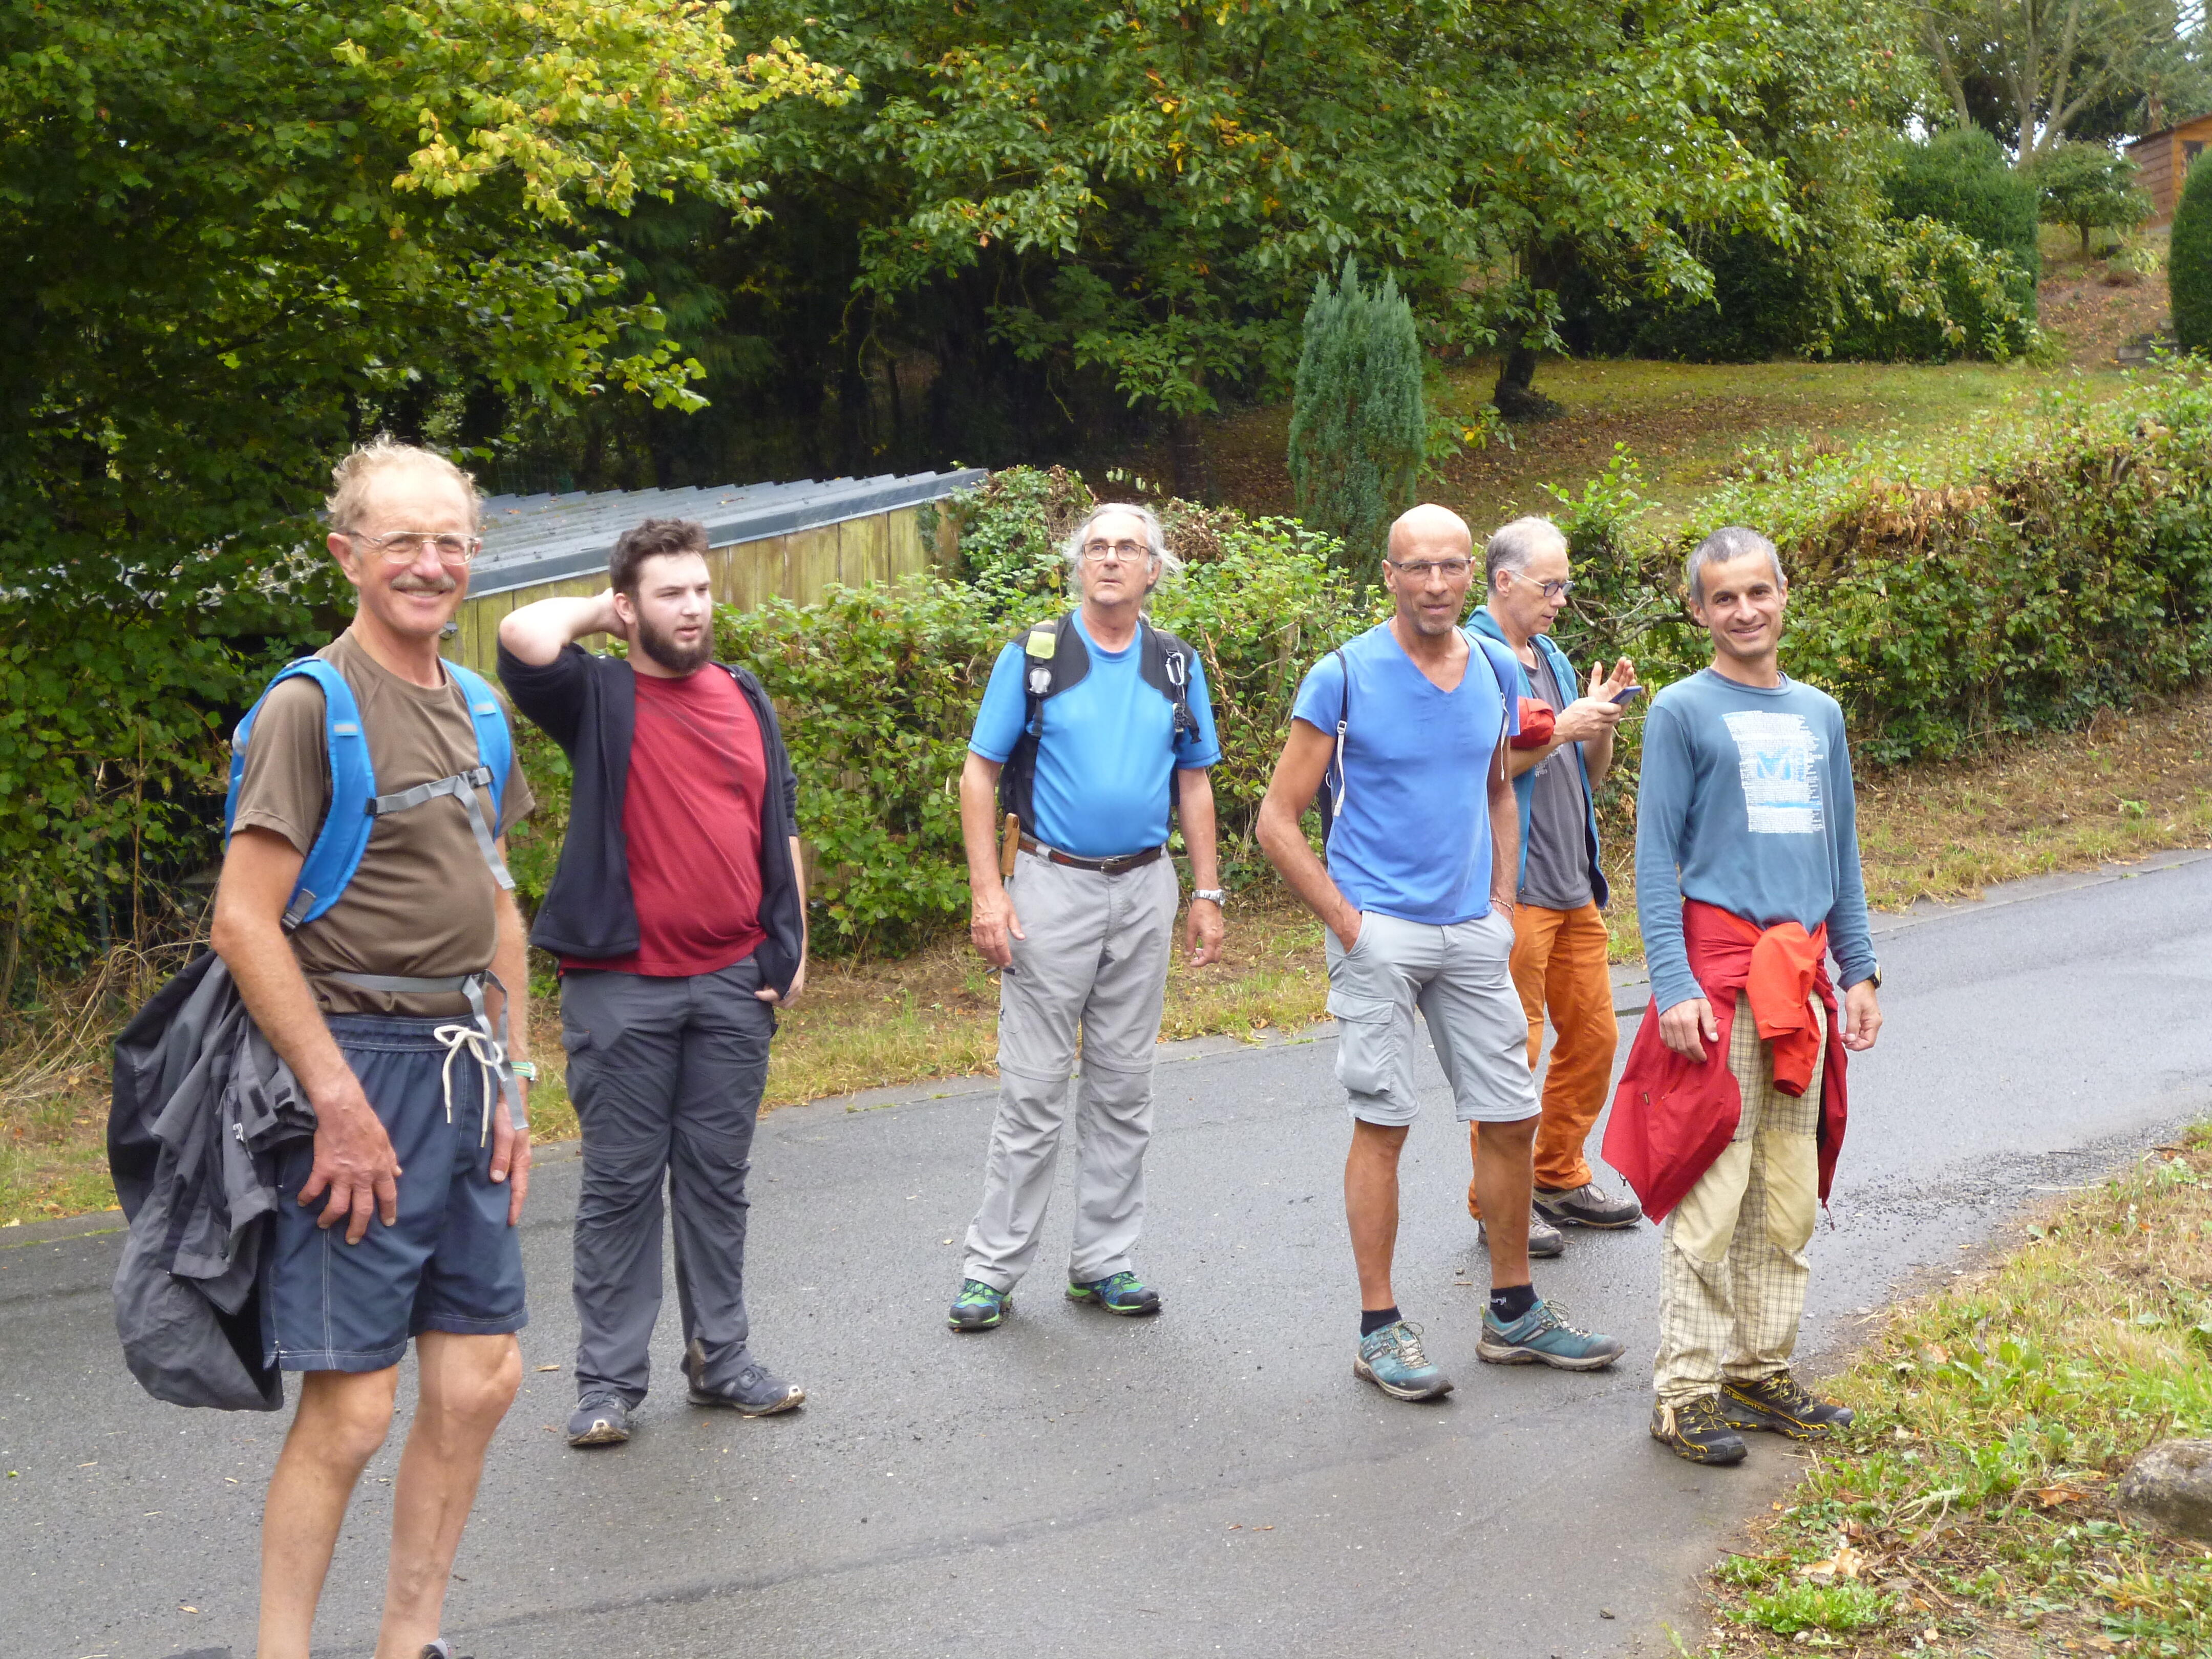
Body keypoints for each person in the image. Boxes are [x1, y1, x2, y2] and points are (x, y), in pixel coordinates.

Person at [210, 437, 535, 1659]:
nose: (430, 564)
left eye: (451, 542)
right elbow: (244, 921)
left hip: (466, 1067)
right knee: (352, 1407)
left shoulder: (481, 706)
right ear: (348, 555)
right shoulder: (311, 708)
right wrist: (337, 1102)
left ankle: (411, 1642)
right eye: (402, 541)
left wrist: (518, 1085)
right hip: (355, 1065)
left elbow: (500, 904)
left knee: (480, 1379)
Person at [1256, 503, 1625, 1403]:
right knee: (1384, 1125)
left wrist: (1498, 903)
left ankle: (1514, 1313)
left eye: (1449, 566)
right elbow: (1275, 821)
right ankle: (1380, 1328)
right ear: (1388, 575)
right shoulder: (1342, 676)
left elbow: (1498, 786)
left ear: (1471, 574)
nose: (1433, 584)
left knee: (1510, 1116)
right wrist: (1351, 925)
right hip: (1380, 931)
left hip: (1472, 932)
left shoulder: (1495, 665)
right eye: (1415, 568)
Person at [499, 517, 810, 1447]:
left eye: (701, 590)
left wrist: (792, 945)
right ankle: (607, 1384)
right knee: (622, 1187)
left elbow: (781, 820)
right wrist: (606, 612)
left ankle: (723, 1360)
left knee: (717, 1183)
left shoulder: (744, 694)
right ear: (629, 607)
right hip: (620, 986)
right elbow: (522, 635)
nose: (694, 608)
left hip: (731, 984)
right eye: (670, 594)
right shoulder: (597, 695)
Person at [1606, 525, 1883, 1465]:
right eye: (1723, 597)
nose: (1744, 610)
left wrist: (1859, 970)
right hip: (1718, 983)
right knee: (1714, 1190)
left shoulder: (1820, 714)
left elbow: (1841, 856)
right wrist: (1673, 985)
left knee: (1787, 1191)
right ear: (1698, 611)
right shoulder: (1682, 711)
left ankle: (1759, 1372)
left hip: (1800, 986)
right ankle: (1685, 1392)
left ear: (1785, 593)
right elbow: (1655, 860)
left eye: (1758, 591)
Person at [947, 502, 1225, 1331]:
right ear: (1079, 565)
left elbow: (1194, 782)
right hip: (1049, 887)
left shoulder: (1176, 665)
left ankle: (1103, 1263)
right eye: (1097, 546)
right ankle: (991, 1272)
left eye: (1127, 548)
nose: (1110, 559)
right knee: (1033, 1091)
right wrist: (988, 893)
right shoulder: (1036, 657)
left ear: (1152, 570)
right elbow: (978, 774)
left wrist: (1206, 892)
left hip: (1144, 888)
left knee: (1123, 1086)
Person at [1465, 517, 1643, 1259]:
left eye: (1565, 586)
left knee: (1595, 1039)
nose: (1561, 599)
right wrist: (1562, 729)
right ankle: (1496, 1204)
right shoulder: (1471, 659)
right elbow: (1476, 769)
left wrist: (1599, 724)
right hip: (1513, 893)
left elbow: (1587, 777)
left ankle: (1557, 1175)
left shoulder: (1553, 658)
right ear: (1504, 581)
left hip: (1575, 887)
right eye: (1551, 585)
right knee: (1512, 1051)